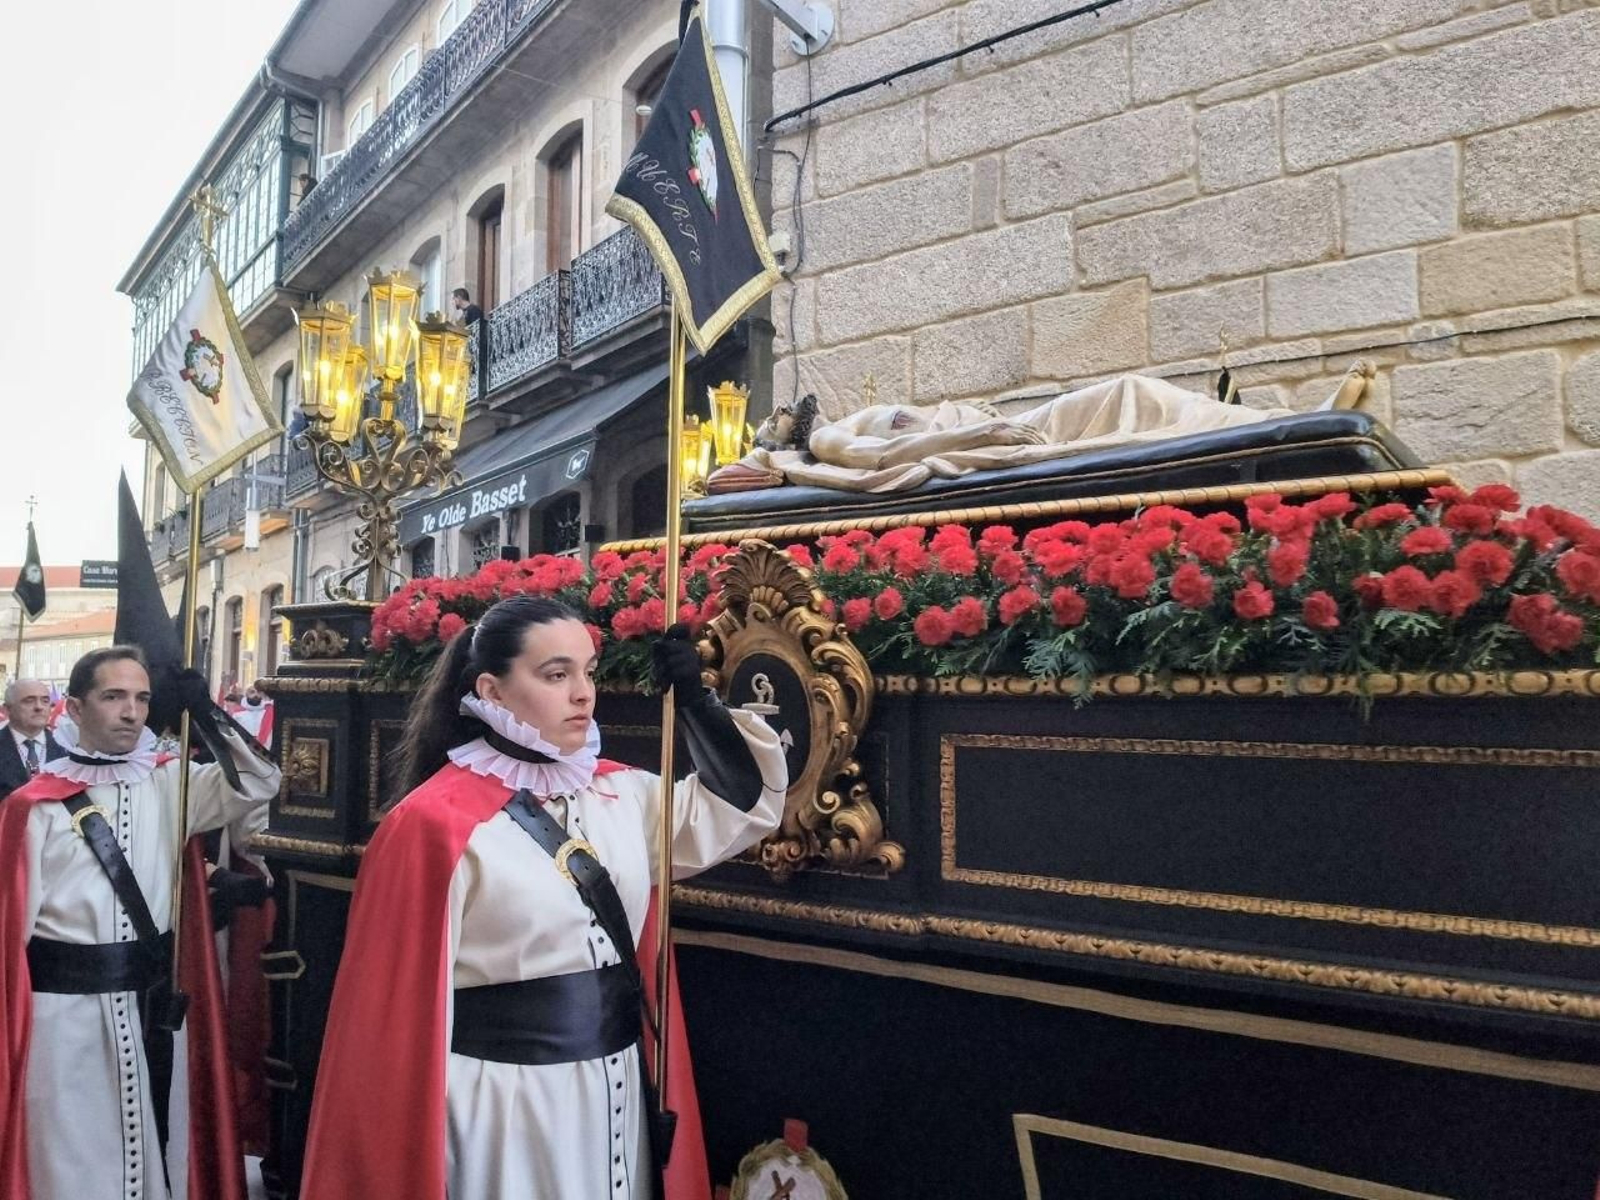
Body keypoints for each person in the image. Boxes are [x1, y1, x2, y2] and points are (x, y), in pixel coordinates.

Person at [299, 597, 788, 1200]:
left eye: (587, 671)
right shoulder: (430, 827)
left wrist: (697, 703)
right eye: (556, 675)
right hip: (506, 1108)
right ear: (492, 690)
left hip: (616, 1086)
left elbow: (744, 807)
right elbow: (385, 1031)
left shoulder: (623, 795)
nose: (583, 692)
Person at [0, 645, 282, 1200]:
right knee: (71, 1156)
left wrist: (205, 711)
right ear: (74, 710)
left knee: (155, 1150)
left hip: (151, 1006)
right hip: (64, 1018)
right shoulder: (32, 808)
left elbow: (260, 781)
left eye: (142, 698)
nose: (131, 711)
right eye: (113, 697)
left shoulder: (170, 784)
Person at [0, 679, 62, 802]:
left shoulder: (66, 748)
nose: (39, 707)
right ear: (7, 709)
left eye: (45, 701)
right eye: (29, 701)